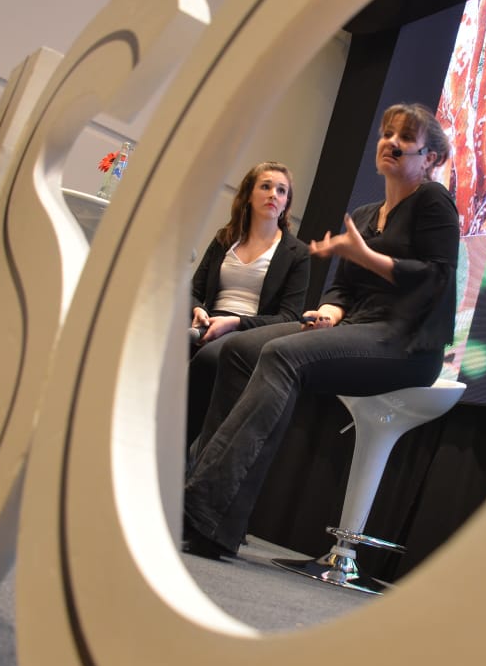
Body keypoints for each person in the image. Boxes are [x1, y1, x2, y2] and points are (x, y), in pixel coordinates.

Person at [183, 103, 460, 560]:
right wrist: (329, 311)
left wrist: (368, 257)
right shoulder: (367, 213)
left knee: (283, 355)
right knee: (238, 350)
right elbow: (342, 289)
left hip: (405, 342)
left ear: (429, 157)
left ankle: (203, 506)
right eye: (386, 134)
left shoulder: (433, 201)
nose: (390, 142)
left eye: (405, 138)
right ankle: (221, 518)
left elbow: (437, 278)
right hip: (357, 326)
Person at [187, 162, 310, 446]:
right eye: (266, 186)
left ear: (286, 203)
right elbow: (193, 291)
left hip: (249, 332)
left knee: (208, 357)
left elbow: (289, 317)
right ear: (249, 194)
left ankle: (180, 451)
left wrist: (235, 323)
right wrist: (198, 309)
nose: (274, 194)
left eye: (282, 190)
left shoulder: (297, 253)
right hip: (208, 321)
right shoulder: (225, 239)